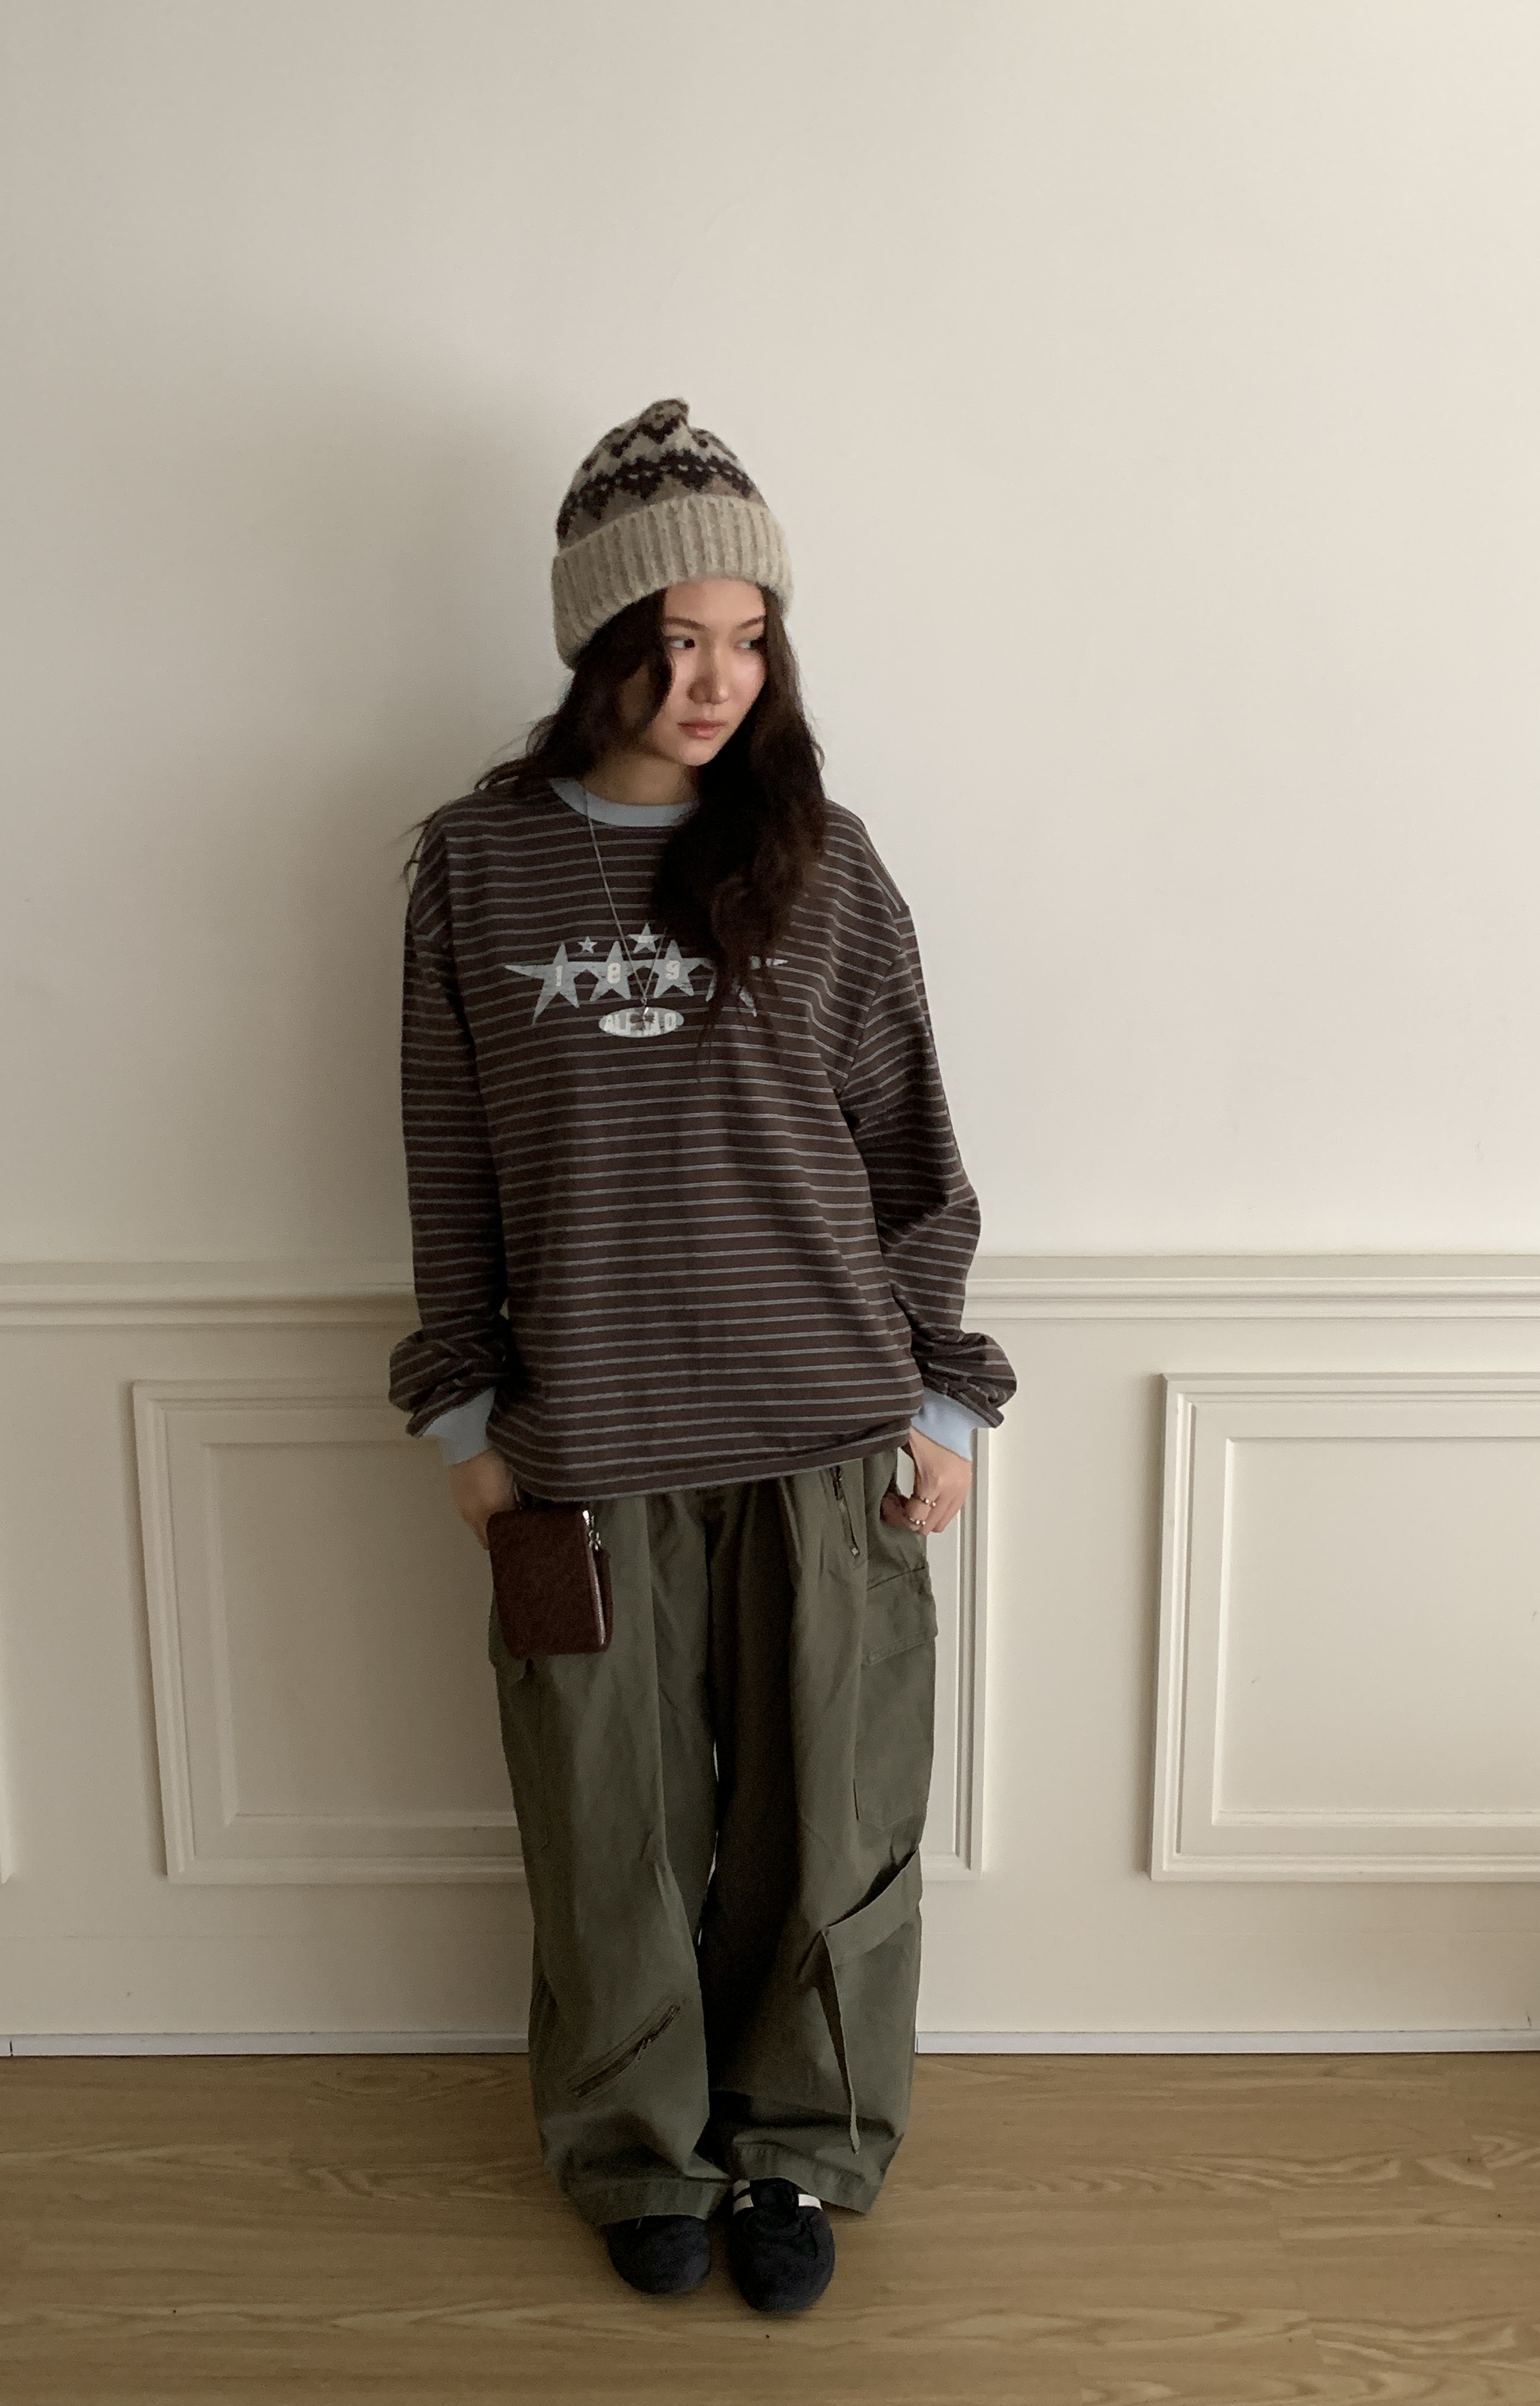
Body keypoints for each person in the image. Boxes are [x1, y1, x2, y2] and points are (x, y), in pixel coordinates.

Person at [388, 397, 1017, 2315]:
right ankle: (638, 2150)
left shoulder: (827, 864)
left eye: (747, 639)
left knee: (831, 1832)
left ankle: (800, 2151)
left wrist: (944, 1395)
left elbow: (911, 1152)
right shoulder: (476, 868)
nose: (713, 682)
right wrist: (467, 1416)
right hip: (581, 1449)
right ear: (597, 644)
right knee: (613, 1839)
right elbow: (449, 1155)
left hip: (827, 1438)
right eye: (672, 642)